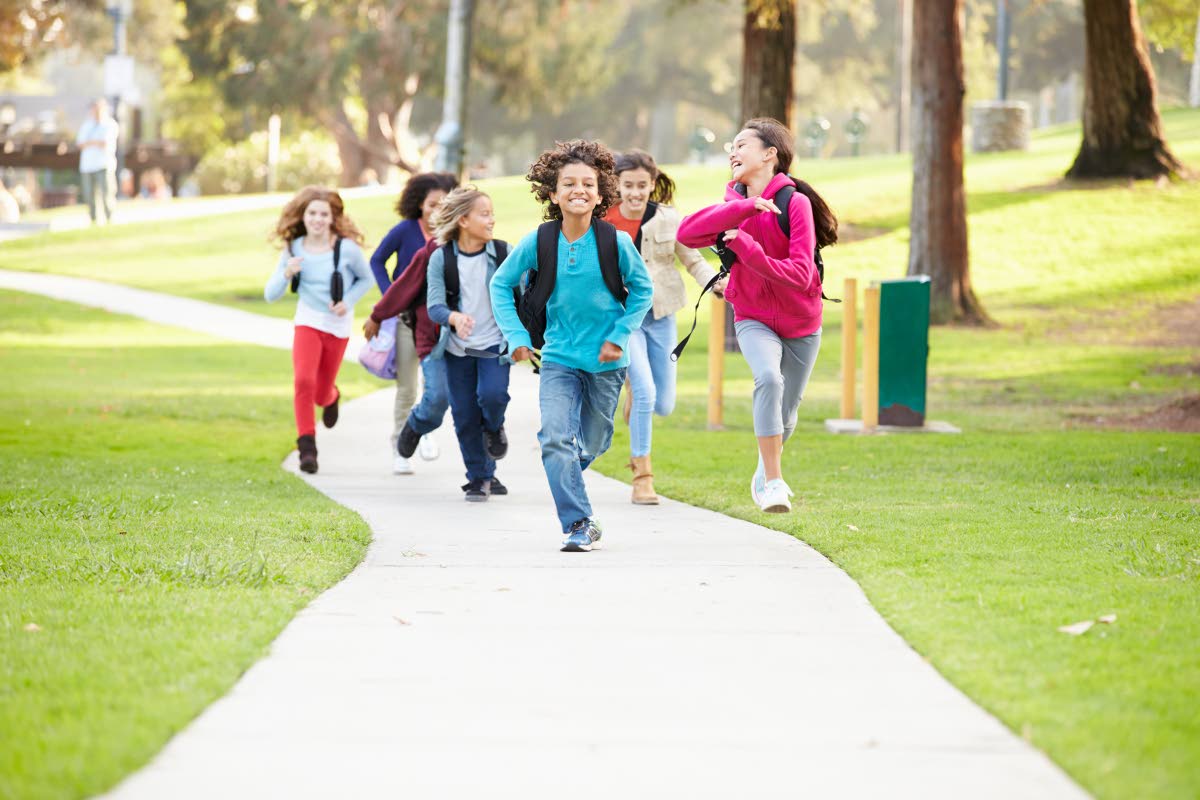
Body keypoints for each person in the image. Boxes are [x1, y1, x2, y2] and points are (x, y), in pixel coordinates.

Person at [489, 140, 654, 552]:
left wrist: (619, 336)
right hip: (559, 358)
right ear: (552, 192)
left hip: (607, 362)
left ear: (601, 195)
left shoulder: (614, 242)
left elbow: (642, 291)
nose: (578, 190)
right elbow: (500, 283)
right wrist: (517, 337)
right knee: (555, 440)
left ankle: (565, 476)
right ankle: (579, 522)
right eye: (568, 183)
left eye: (588, 184)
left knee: (594, 442)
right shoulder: (540, 240)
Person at [677, 117, 838, 514]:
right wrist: (745, 209)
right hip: (752, 316)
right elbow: (686, 234)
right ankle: (774, 481)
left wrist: (748, 249)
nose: (732, 151)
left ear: (770, 154)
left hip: (802, 324)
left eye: (741, 144)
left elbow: (801, 276)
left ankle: (764, 471)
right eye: (730, 146)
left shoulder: (794, 203)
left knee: (788, 413)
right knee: (768, 378)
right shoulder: (733, 206)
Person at [603, 150, 726, 505]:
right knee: (645, 392)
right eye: (628, 186)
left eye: (642, 186)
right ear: (617, 185)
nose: (635, 193)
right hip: (623, 319)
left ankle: (633, 394)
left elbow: (693, 259)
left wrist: (714, 283)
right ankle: (642, 477)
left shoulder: (669, 220)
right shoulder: (603, 222)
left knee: (665, 404)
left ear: (652, 185)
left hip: (662, 316)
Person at [264, 186, 373, 474]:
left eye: (323, 214)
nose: (317, 219)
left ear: (333, 217)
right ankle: (307, 447)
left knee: (320, 392)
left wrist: (347, 302)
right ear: (303, 216)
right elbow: (270, 294)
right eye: (312, 213)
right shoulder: (293, 249)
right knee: (303, 381)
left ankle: (332, 397)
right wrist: (287, 273)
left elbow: (366, 279)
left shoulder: (346, 249)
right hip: (308, 321)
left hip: (337, 326)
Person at [423, 187, 512, 501]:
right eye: (484, 214)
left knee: (493, 397)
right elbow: (434, 306)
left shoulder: (504, 253)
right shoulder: (442, 258)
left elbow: (526, 291)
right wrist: (453, 317)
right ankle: (479, 478)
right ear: (463, 220)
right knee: (464, 414)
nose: (491, 220)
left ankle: (495, 426)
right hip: (457, 350)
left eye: (491, 213)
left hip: (493, 346)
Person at [370, 172, 458, 473]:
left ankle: (424, 430)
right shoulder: (405, 230)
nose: (436, 210)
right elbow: (377, 260)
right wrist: (389, 296)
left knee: (435, 386)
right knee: (407, 386)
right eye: (431, 204)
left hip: (441, 324)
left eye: (443, 204)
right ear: (419, 204)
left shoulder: (453, 236)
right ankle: (400, 446)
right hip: (406, 320)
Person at [75, 99, 119, 224]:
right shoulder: (86, 125)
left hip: (103, 164)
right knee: (89, 195)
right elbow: (80, 144)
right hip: (87, 166)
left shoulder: (110, 124)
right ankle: (93, 219)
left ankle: (110, 218)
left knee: (107, 193)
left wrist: (89, 142)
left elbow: (104, 143)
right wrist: (94, 142)